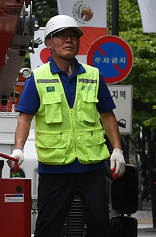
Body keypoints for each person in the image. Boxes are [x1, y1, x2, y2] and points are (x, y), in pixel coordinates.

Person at [13, 14, 125, 237]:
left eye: (73, 36)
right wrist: (18, 149)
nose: (68, 40)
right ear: (48, 44)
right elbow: (25, 118)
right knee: (48, 227)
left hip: (91, 166)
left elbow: (107, 115)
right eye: (62, 36)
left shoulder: (93, 76)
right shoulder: (38, 78)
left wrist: (118, 150)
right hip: (55, 168)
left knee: (100, 225)